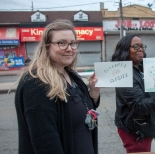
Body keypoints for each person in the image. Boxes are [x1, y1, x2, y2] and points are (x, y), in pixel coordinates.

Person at [14, 19, 100, 154]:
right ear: (47, 47)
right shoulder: (35, 83)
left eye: (73, 43)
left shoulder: (71, 75)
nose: (69, 48)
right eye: (62, 43)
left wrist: (93, 95)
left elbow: (81, 111)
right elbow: (45, 143)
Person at [111, 34, 155, 153]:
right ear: (125, 49)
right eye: (135, 46)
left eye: (142, 46)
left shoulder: (142, 68)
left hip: (143, 126)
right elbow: (140, 106)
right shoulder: (124, 74)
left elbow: (148, 94)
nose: (141, 49)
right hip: (135, 130)